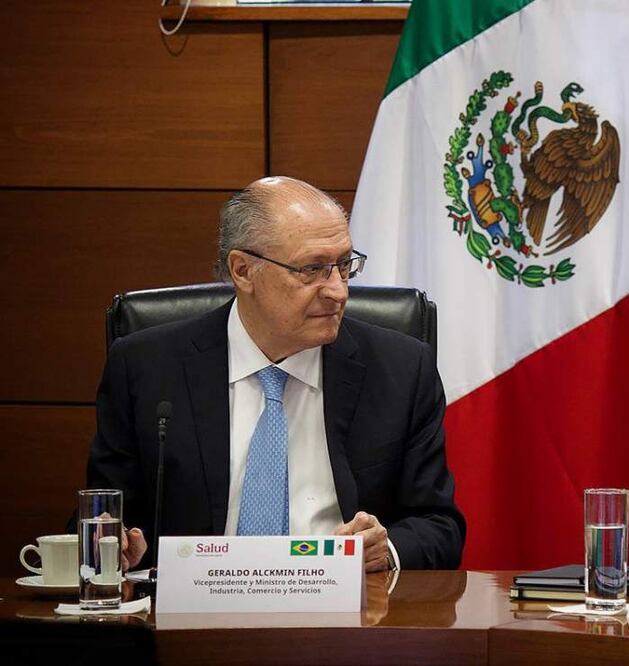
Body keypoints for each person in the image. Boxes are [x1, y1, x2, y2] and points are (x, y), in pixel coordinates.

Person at [86, 176, 465, 572]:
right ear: (243, 270)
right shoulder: (146, 368)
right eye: (313, 269)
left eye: (344, 265)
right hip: (193, 616)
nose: (338, 291)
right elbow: (103, 520)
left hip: (345, 618)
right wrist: (116, 546)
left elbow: (439, 526)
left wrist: (384, 550)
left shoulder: (400, 369)